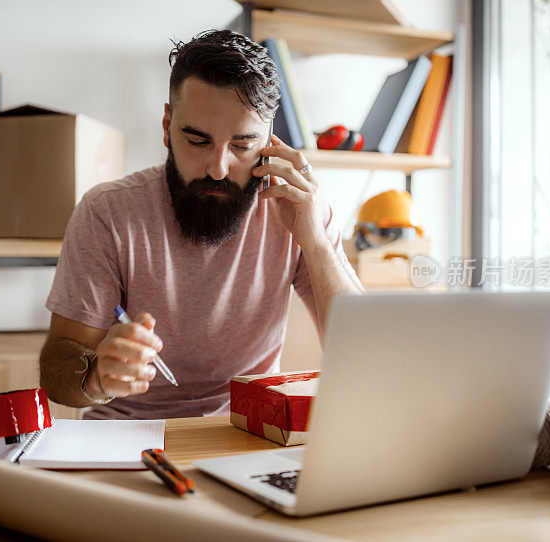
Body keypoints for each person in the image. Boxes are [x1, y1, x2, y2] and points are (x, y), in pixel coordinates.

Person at [40, 29, 363, 419]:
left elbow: (363, 354)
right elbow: (55, 375)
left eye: (242, 146)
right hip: (127, 435)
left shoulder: (299, 207)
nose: (218, 168)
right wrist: (96, 377)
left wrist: (316, 243)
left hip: (249, 428)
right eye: (197, 141)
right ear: (167, 126)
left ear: (269, 144)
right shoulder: (107, 212)